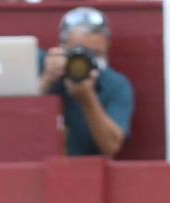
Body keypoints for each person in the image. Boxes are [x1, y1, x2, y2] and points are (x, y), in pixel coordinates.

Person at [38, 6, 134, 158]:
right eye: (79, 53)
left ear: (106, 49)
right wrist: (44, 82)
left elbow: (111, 147)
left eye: (96, 54)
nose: (86, 61)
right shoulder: (42, 65)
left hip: (86, 170)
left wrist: (87, 98)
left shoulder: (116, 85)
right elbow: (9, 120)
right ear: (62, 48)